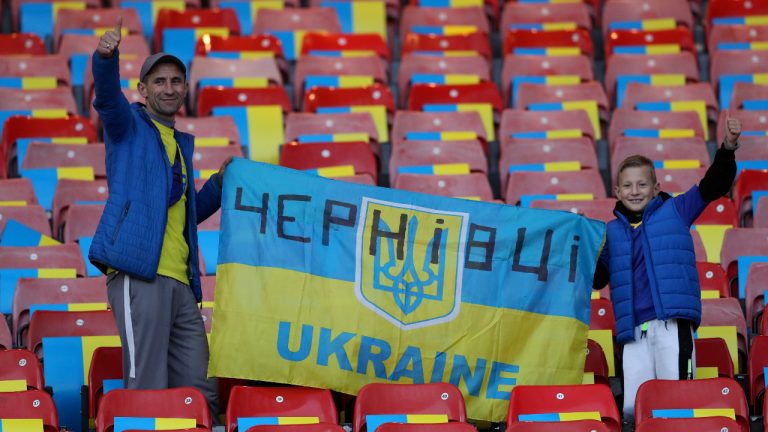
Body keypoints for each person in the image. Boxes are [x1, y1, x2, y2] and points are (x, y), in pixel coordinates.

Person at [88, 17, 231, 420]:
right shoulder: (127, 125)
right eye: (159, 81)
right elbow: (106, 97)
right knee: (145, 387)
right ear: (143, 89)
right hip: (139, 276)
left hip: (182, 284)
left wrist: (219, 184)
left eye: (176, 81)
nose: (168, 88)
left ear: (185, 89)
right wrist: (105, 56)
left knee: (200, 391)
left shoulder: (180, 143)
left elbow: (187, 214)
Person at [593, 113, 742, 420]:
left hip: (672, 326)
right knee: (636, 409)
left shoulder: (675, 210)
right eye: (627, 186)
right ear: (617, 192)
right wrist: (578, 250)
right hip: (632, 334)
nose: (635, 191)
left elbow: (714, 185)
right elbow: (597, 279)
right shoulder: (609, 233)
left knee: (676, 399)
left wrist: (727, 148)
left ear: (656, 186)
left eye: (642, 184)